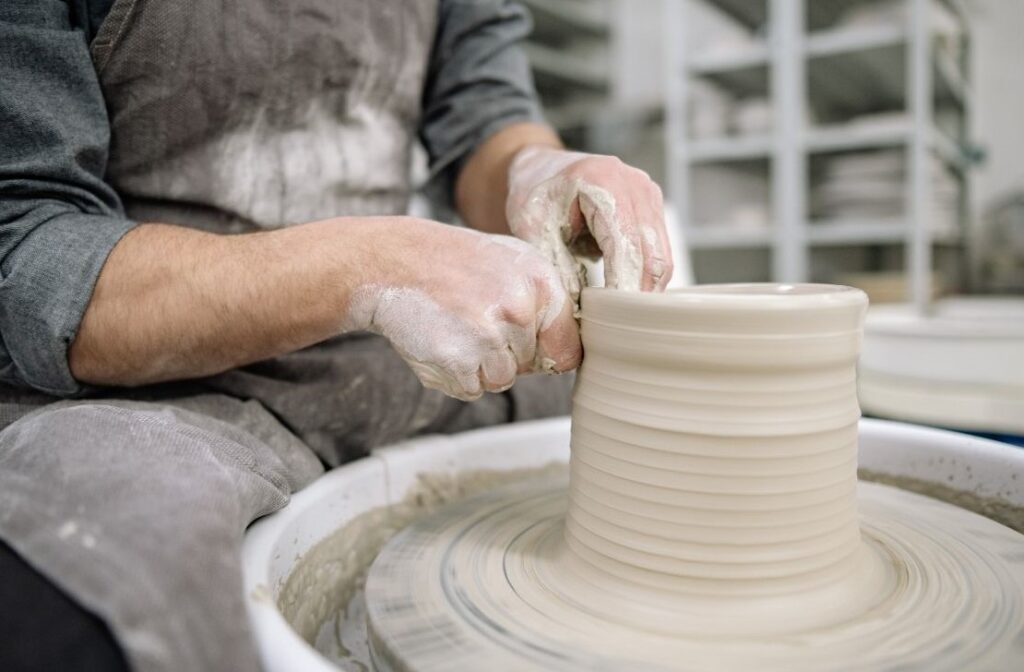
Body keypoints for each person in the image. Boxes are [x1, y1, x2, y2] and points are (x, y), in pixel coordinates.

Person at [0, 1, 673, 670]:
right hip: (158, 384)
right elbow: (30, 260)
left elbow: (485, 118)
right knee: (94, 597)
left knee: (649, 425)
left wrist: (535, 169)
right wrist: (372, 267)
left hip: (389, 359)